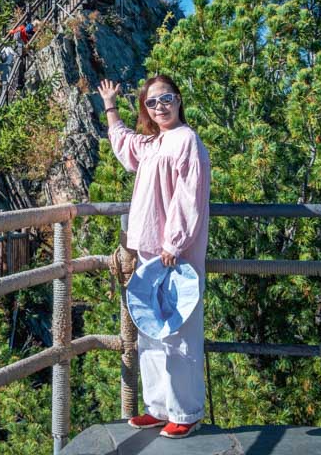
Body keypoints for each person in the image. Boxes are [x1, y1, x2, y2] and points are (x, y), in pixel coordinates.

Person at [97, 75, 210, 440]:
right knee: (151, 330)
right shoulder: (154, 143)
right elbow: (124, 145)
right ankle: (159, 407)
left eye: (166, 99)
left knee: (179, 332)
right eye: (152, 102)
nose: (160, 106)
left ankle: (185, 411)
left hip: (174, 254)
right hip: (148, 252)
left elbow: (190, 197)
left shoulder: (186, 140)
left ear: (179, 101)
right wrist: (111, 107)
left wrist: (174, 243)